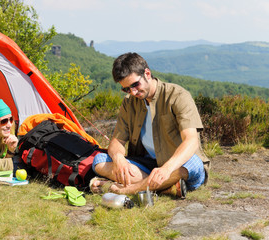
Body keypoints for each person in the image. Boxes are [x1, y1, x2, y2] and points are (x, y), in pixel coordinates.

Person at [90, 52, 210, 198]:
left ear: (147, 73)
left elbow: (191, 141)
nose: (133, 92)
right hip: (147, 165)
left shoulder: (178, 95)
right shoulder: (129, 103)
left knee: (194, 164)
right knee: (99, 161)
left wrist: (166, 169)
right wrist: (119, 159)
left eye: (135, 85)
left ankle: (126, 190)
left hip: (176, 164)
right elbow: (117, 141)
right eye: (126, 89)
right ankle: (164, 188)